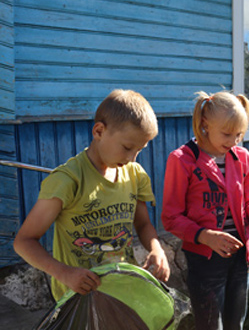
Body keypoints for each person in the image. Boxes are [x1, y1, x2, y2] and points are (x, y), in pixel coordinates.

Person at [13, 89, 170, 302]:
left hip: (121, 290)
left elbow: (143, 225)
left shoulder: (135, 176)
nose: (132, 158)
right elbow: (24, 241)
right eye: (127, 147)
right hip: (78, 297)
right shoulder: (68, 181)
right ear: (99, 131)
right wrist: (64, 273)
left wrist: (156, 248)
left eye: (139, 150)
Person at [161, 91, 249, 330]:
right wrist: (205, 236)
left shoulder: (242, 158)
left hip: (239, 255)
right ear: (204, 124)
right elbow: (171, 217)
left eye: (239, 134)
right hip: (205, 258)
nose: (234, 141)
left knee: (235, 321)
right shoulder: (182, 160)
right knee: (210, 324)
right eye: (227, 134)